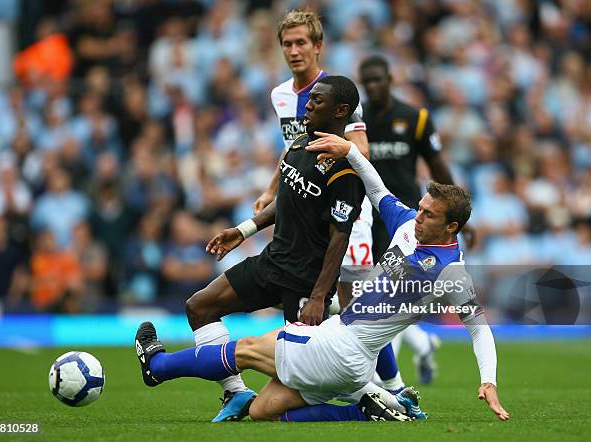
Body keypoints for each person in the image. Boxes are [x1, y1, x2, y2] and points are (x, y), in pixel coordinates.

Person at [134, 136, 509, 423]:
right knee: (263, 410)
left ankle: (158, 367)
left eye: (429, 214)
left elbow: (479, 329)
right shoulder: (409, 226)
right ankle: (364, 410)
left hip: (342, 347)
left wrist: (488, 379)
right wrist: (350, 150)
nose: (419, 215)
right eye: (422, 208)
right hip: (351, 359)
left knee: (247, 349)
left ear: (452, 227)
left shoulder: (452, 273)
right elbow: (378, 190)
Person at [176, 75, 366, 422]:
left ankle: (372, 401)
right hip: (271, 262)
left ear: (340, 111)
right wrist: (243, 230)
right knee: (199, 307)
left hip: (305, 282)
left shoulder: (345, 169)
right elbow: (285, 201)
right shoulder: (298, 143)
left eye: (317, 102)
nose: (307, 105)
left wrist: (319, 296)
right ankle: (234, 392)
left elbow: (340, 238)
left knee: (286, 395)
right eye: (308, 99)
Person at [256, 8, 407, 397]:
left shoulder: (337, 92)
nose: (293, 51)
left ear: (317, 46)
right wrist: (272, 189)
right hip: (306, 210)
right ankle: (351, 382)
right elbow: (292, 146)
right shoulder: (280, 95)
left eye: (301, 42)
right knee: (319, 297)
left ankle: (394, 386)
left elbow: (360, 148)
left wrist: (335, 155)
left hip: (345, 211)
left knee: (355, 299)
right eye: (287, 44)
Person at [358, 55, 463, 384]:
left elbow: (436, 165)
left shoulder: (415, 118)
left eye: (378, 79)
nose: (373, 87)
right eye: (367, 81)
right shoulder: (356, 121)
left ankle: (389, 380)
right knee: (379, 291)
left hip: (410, 220)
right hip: (368, 215)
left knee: (394, 292)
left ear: (390, 78)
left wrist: (460, 214)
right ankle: (422, 343)